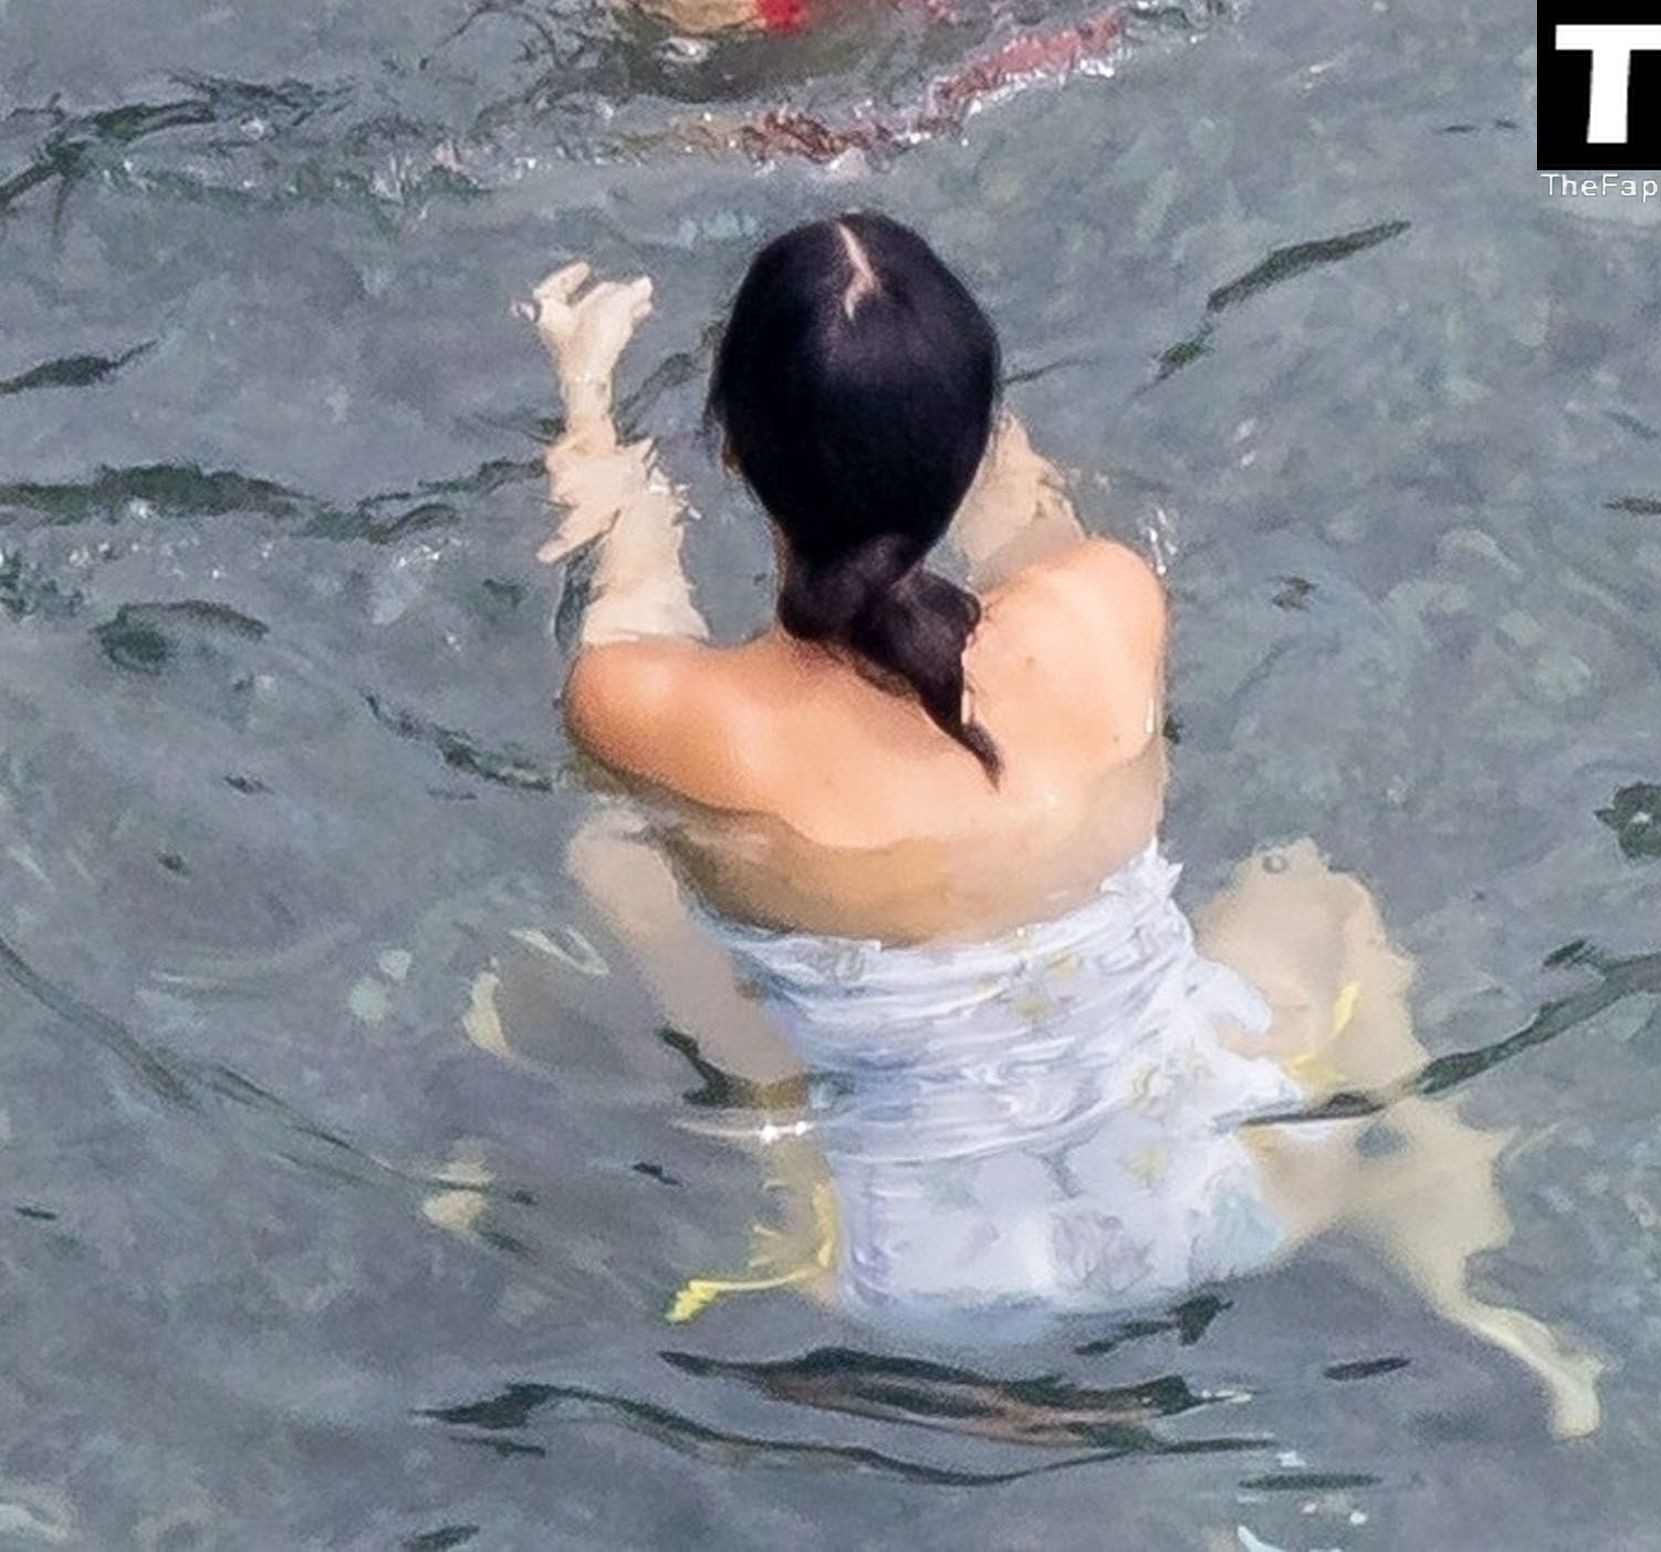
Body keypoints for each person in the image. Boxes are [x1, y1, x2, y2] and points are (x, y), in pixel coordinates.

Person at [525, 213, 1601, 1436]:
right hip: (1225, 1197)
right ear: (971, 436)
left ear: (731, 451)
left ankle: (780, 1177)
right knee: (1320, 897)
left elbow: (630, 596)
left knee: (612, 856)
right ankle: (1460, 1274)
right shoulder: (1105, 608)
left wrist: (587, 399)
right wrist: (957, 409)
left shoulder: (666, 716)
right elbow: (1027, 521)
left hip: (904, 1273)